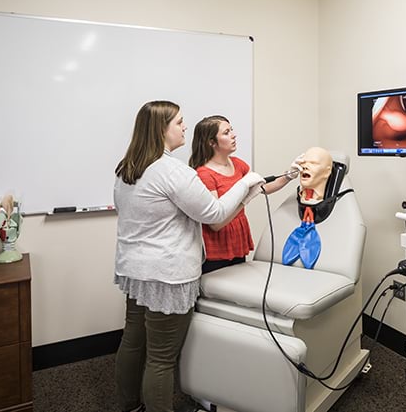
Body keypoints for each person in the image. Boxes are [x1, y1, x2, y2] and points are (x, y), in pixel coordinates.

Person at [113, 101, 264, 412]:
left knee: (133, 340)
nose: (185, 127)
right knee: (161, 357)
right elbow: (215, 214)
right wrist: (246, 182)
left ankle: (130, 405)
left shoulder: (128, 168)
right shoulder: (173, 171)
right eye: (179, 122)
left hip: (135, 269)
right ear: (161, 129)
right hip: (167, 275)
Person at [189, 115, 302, 274]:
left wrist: (289, 175)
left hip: (236, 240)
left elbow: (264, 187)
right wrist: (245, 201)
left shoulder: (238, 164)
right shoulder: (204, 174)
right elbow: (216, 223)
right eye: (226, 132)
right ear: (212, 142)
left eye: (232, 130)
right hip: (217, 246)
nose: (234, 135)